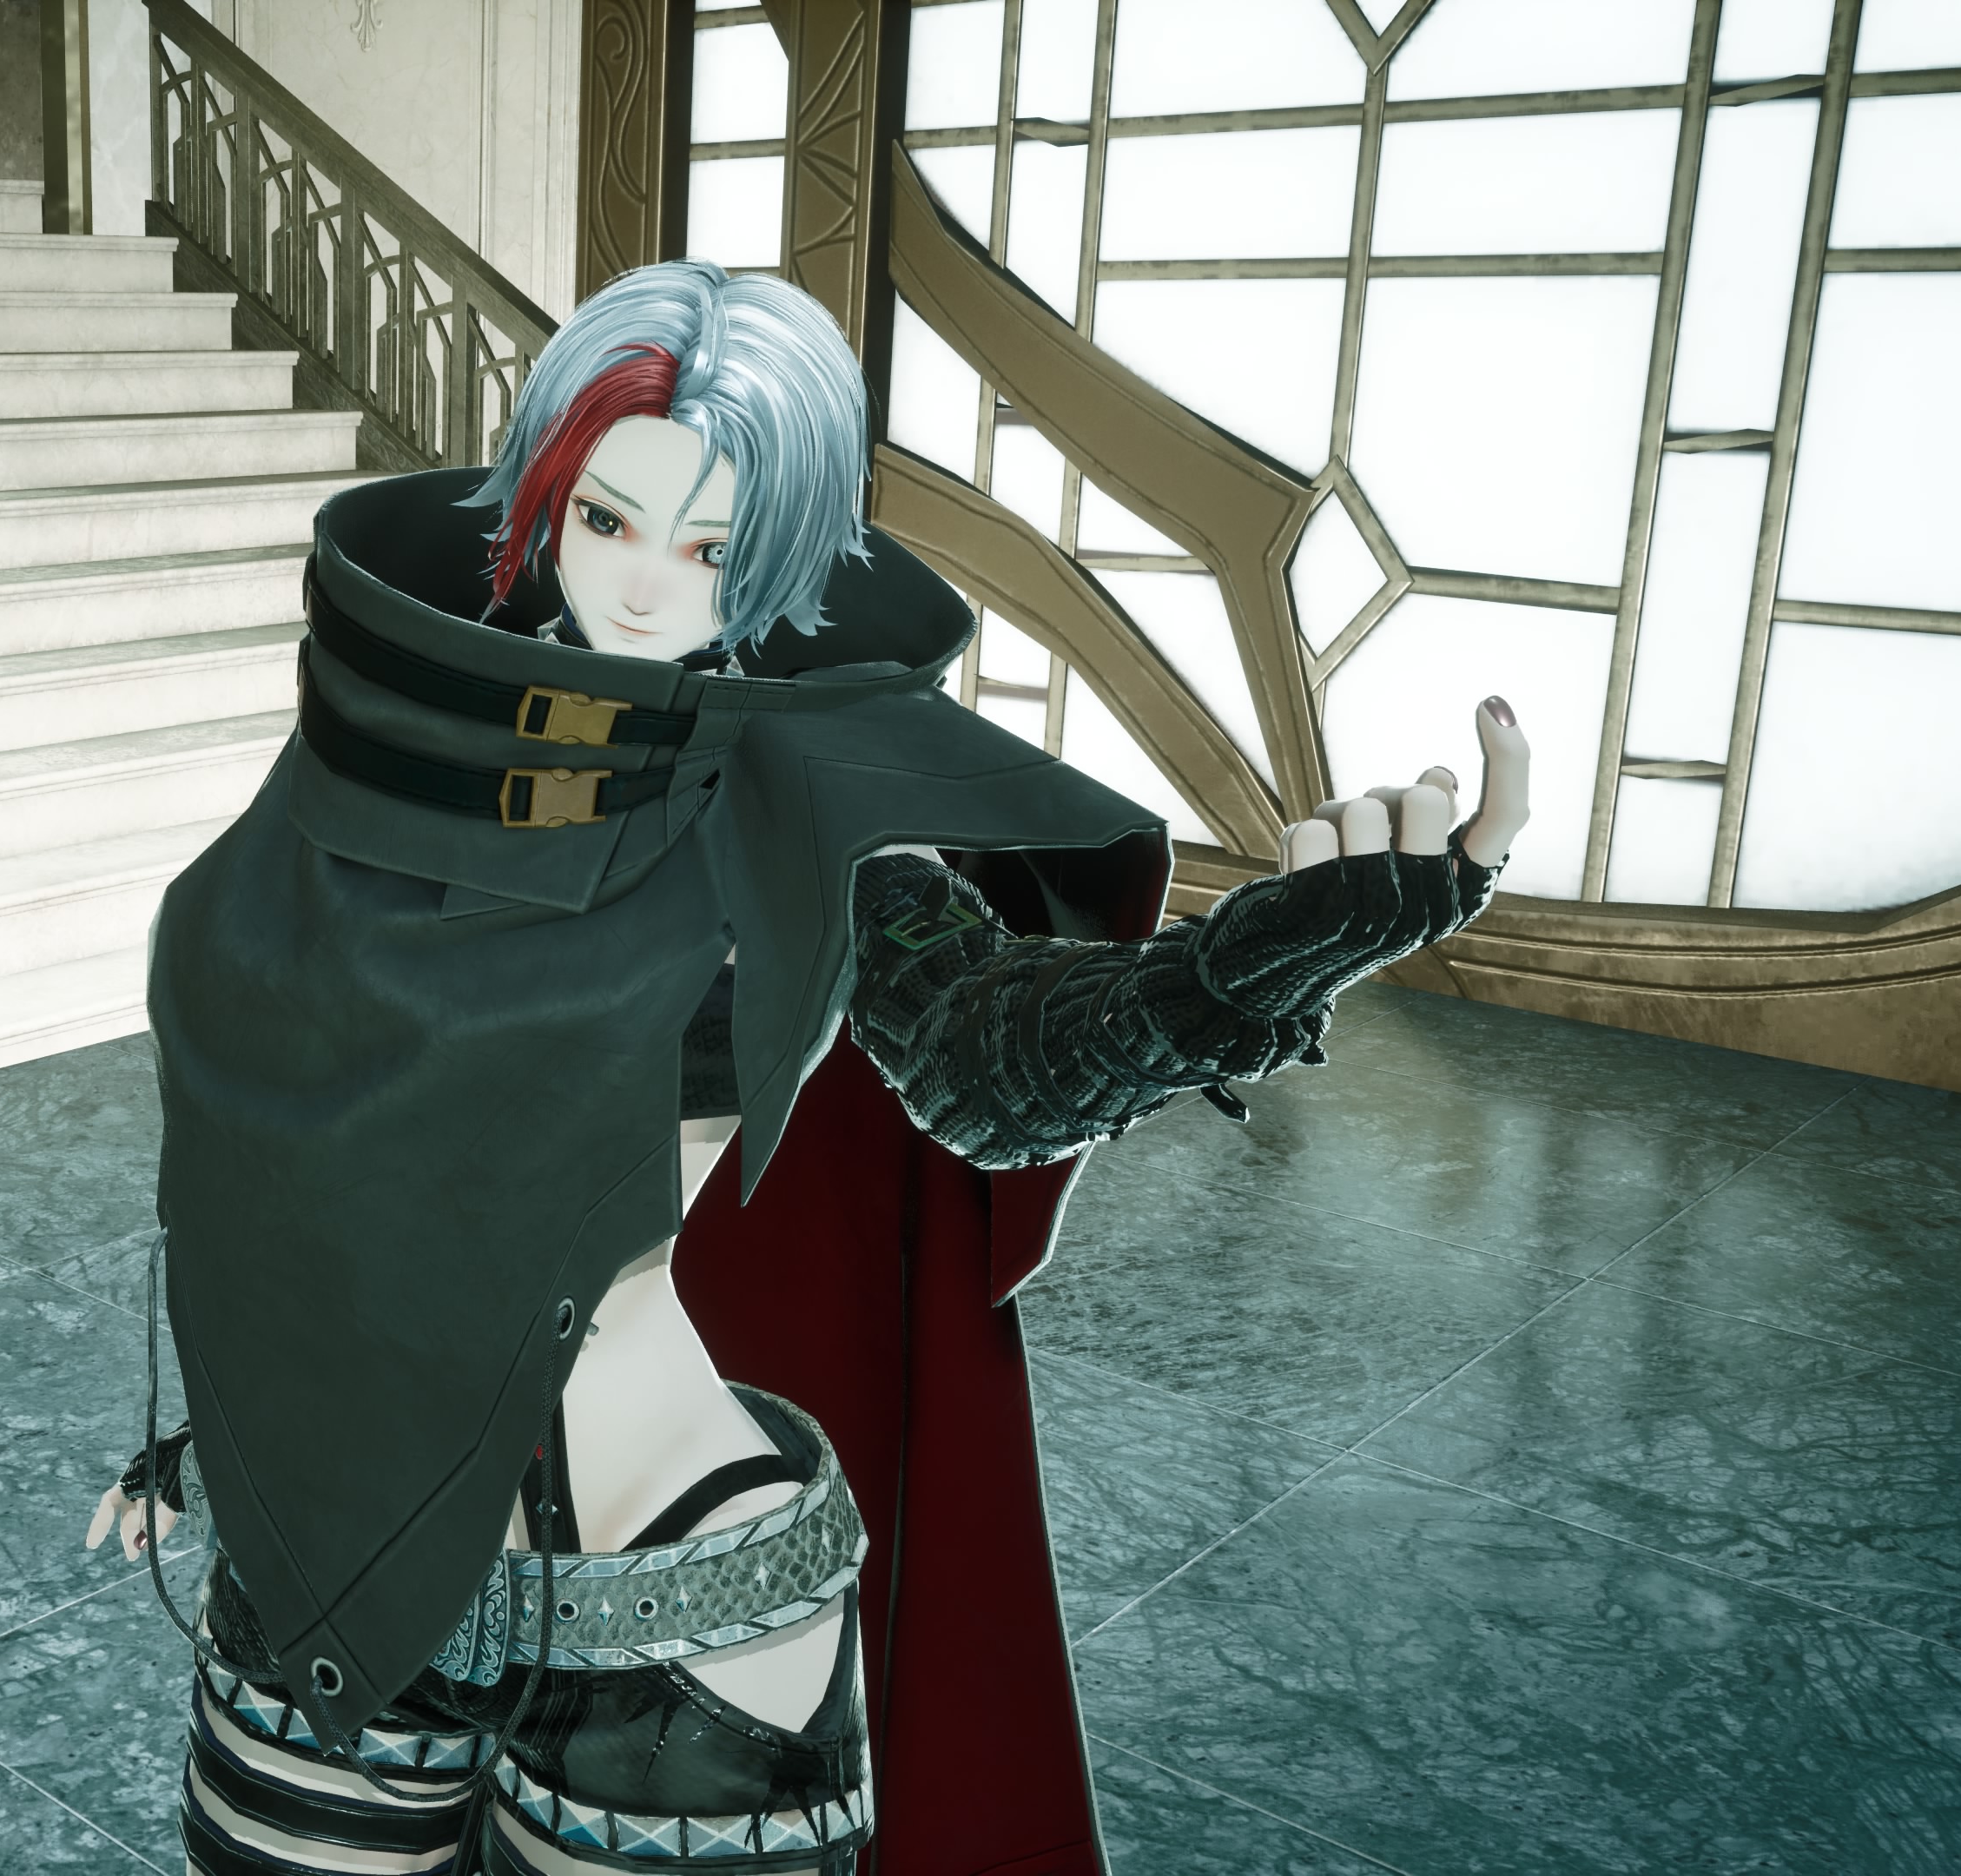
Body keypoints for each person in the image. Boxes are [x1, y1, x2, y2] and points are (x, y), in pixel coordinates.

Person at [85, 260, 1528, 1876]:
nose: (646, 588)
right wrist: (237, 1413)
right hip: (333, 1523)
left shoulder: (805, 801)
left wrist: (1232, 976)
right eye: (609, 519)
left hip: (665, 1551)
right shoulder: (387, 735)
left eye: (715, 549)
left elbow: (989, 1056)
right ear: (547, 496)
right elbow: (305, 1131)